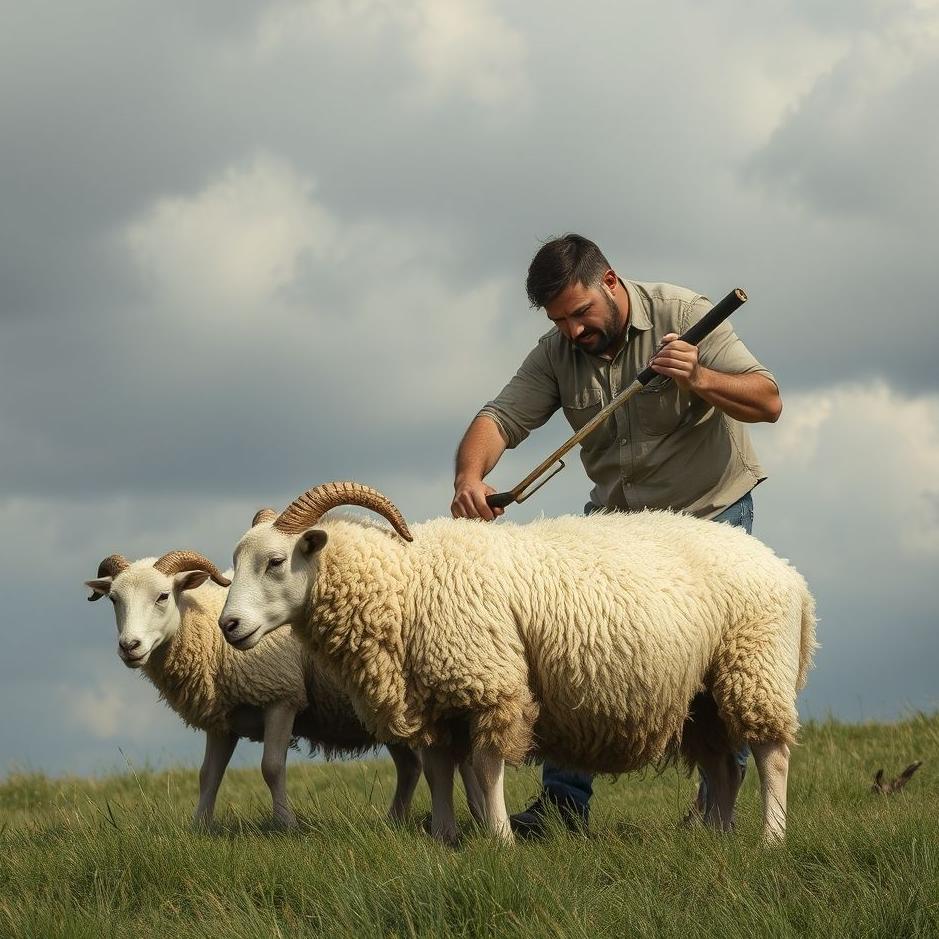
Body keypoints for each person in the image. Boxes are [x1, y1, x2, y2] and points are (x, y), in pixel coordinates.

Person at [451, 233, 782, 837]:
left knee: (723, 673)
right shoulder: (556, 353)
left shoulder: (683, 314)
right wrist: (470, 475)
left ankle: (720, 813)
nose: (574, 331)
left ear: (610, 282)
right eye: (561, 321)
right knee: (574, 656)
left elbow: (768, 400)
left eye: (581, 313)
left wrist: (698, 375)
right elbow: (500, 418)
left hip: (710, 522)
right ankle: (562, 809)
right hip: (621, 534)